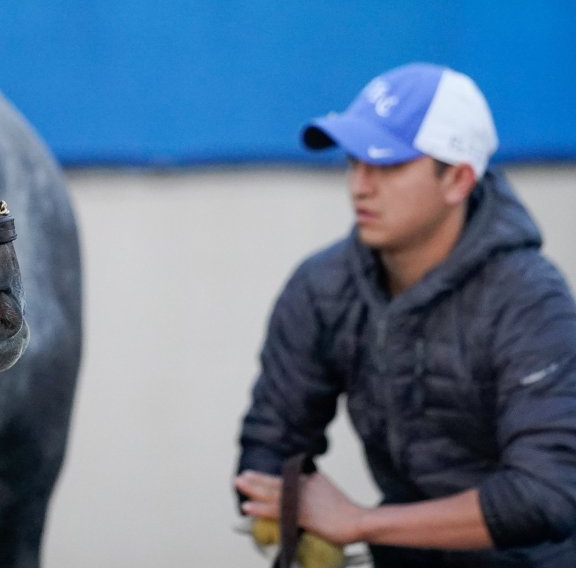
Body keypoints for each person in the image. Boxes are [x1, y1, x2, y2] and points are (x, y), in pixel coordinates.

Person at [234, 63, 576, 567]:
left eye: (388, 165)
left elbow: (549, 493)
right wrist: (288, 515)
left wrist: (358, 523)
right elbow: (271, 446)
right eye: (354, 161)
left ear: (458, 179)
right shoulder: (322, 287)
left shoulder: (530, 301)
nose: (360, 186)